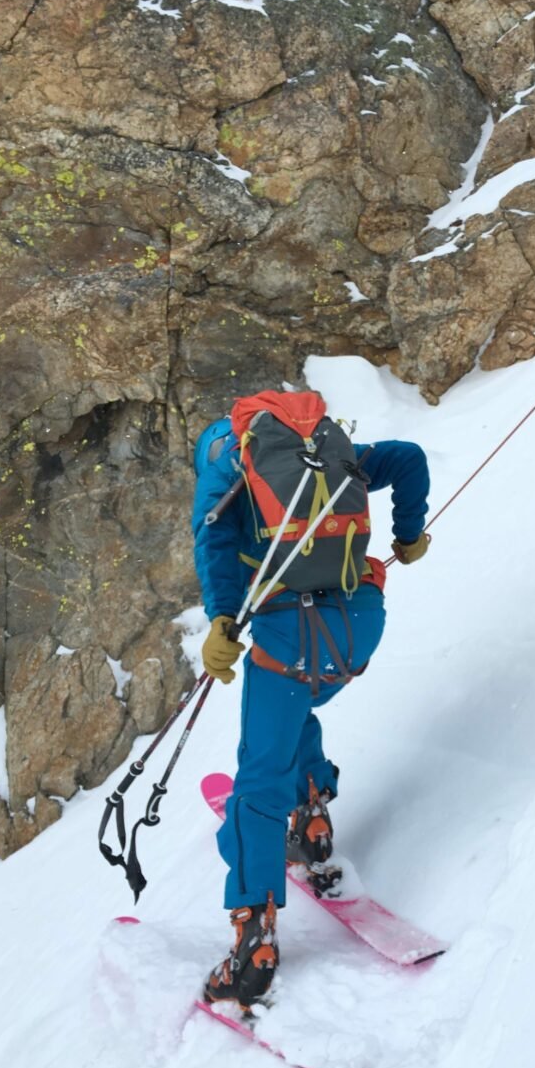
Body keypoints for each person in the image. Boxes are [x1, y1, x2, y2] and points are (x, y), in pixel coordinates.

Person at [191, 390, 430, 1013]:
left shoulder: (226, 470)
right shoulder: (329, 452)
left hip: (288, 638)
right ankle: (313, 820)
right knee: (296, 710)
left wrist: (221, 621)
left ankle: (253, 947)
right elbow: (407, 458)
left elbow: (214, 545)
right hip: (358, 631)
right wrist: (408, 537)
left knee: (257, 783)